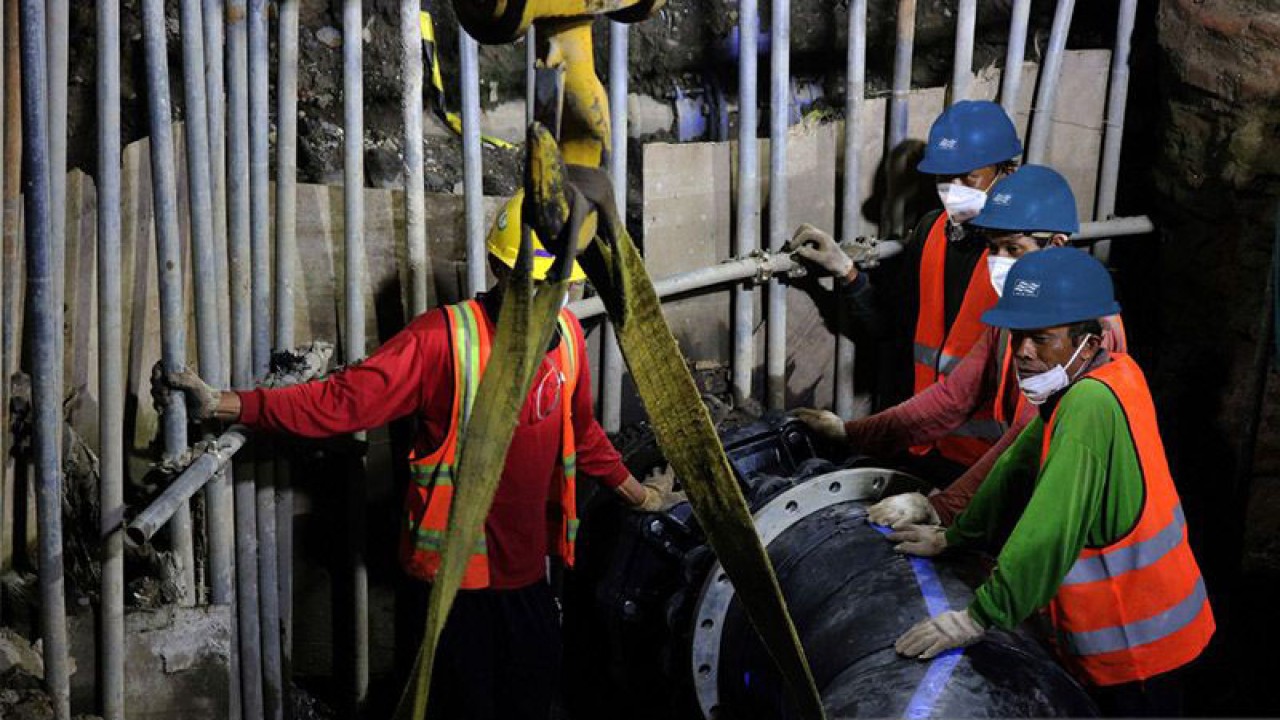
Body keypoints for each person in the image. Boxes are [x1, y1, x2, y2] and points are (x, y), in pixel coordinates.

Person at [154, 191, 683, 720]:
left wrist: (640, 495)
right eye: (539, 285)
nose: (551, 301)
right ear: (502, 268)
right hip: (453, 592)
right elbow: (339, 403)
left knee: (533, 701)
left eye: (560, 287)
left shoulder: (567, 338)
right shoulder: (443, 340)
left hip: (528, 582)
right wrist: (226, 404)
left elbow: (583, 434)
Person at [887, 248, 1214, 717]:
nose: (1022, 352)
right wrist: (956, 535)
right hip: (1153, 630)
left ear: (1091, 339)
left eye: (1042, 338)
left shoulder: (1089, 406)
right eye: (1018, 335)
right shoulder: (1110, 374)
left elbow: (1049, 531)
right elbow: (1017, 466)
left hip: (1136, 647)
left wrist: (977, 617)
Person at [795, 166, 1126, 527]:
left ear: (1056, 244)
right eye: (993, 248)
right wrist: (854, 434)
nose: (999, 262)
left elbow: (1028, 440)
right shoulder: (1016, 313)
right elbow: (952, 398)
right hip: (1020, 494)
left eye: (1013, 249)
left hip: (1073, 520)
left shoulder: (1088, 326)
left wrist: (943, 509)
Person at [793, 99, 1024, 480]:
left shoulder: (1022, 252)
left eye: (969, 178)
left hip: (987, 464)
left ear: (1006, 171)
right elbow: (893, 326)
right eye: (943, 179)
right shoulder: (932, 231)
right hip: (920, 447)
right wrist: (846, 271)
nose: (953, 191)